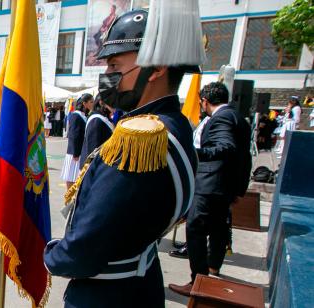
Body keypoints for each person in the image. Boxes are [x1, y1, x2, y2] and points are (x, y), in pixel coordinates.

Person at [44, 4, 203, 306]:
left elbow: (85, 247)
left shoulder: (140, 138)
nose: (107, 76)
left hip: (105, 295)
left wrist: (52, 256)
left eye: (115, 67)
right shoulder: (177, 126)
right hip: (140, 284)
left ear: (157, 68)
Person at [169, 82, 252, 296]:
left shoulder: (222, 118)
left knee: (195, 227)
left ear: (205, 101)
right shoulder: (237, 117)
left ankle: (198, 279)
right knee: (218, 227)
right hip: (225, 185)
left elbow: (225, 147)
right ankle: (213, 266)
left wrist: (194, 153)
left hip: (211, 183)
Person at [61, 94, 93, 189]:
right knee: (71, 177)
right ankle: (69, 199)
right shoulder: (76, 115)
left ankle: (73, 199)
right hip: (74, 153)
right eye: (91, 102)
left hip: (80, 151)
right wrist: (75, 153)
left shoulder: (84, 115)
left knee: (77, 178)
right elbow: (74, 135)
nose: (93, 104)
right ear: (84, 103)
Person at [79, 94, 114, 168]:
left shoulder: (104, 117)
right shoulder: (96, 120)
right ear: (101, 102)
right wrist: (92, 170)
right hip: (95, 167)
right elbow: (93, 150)